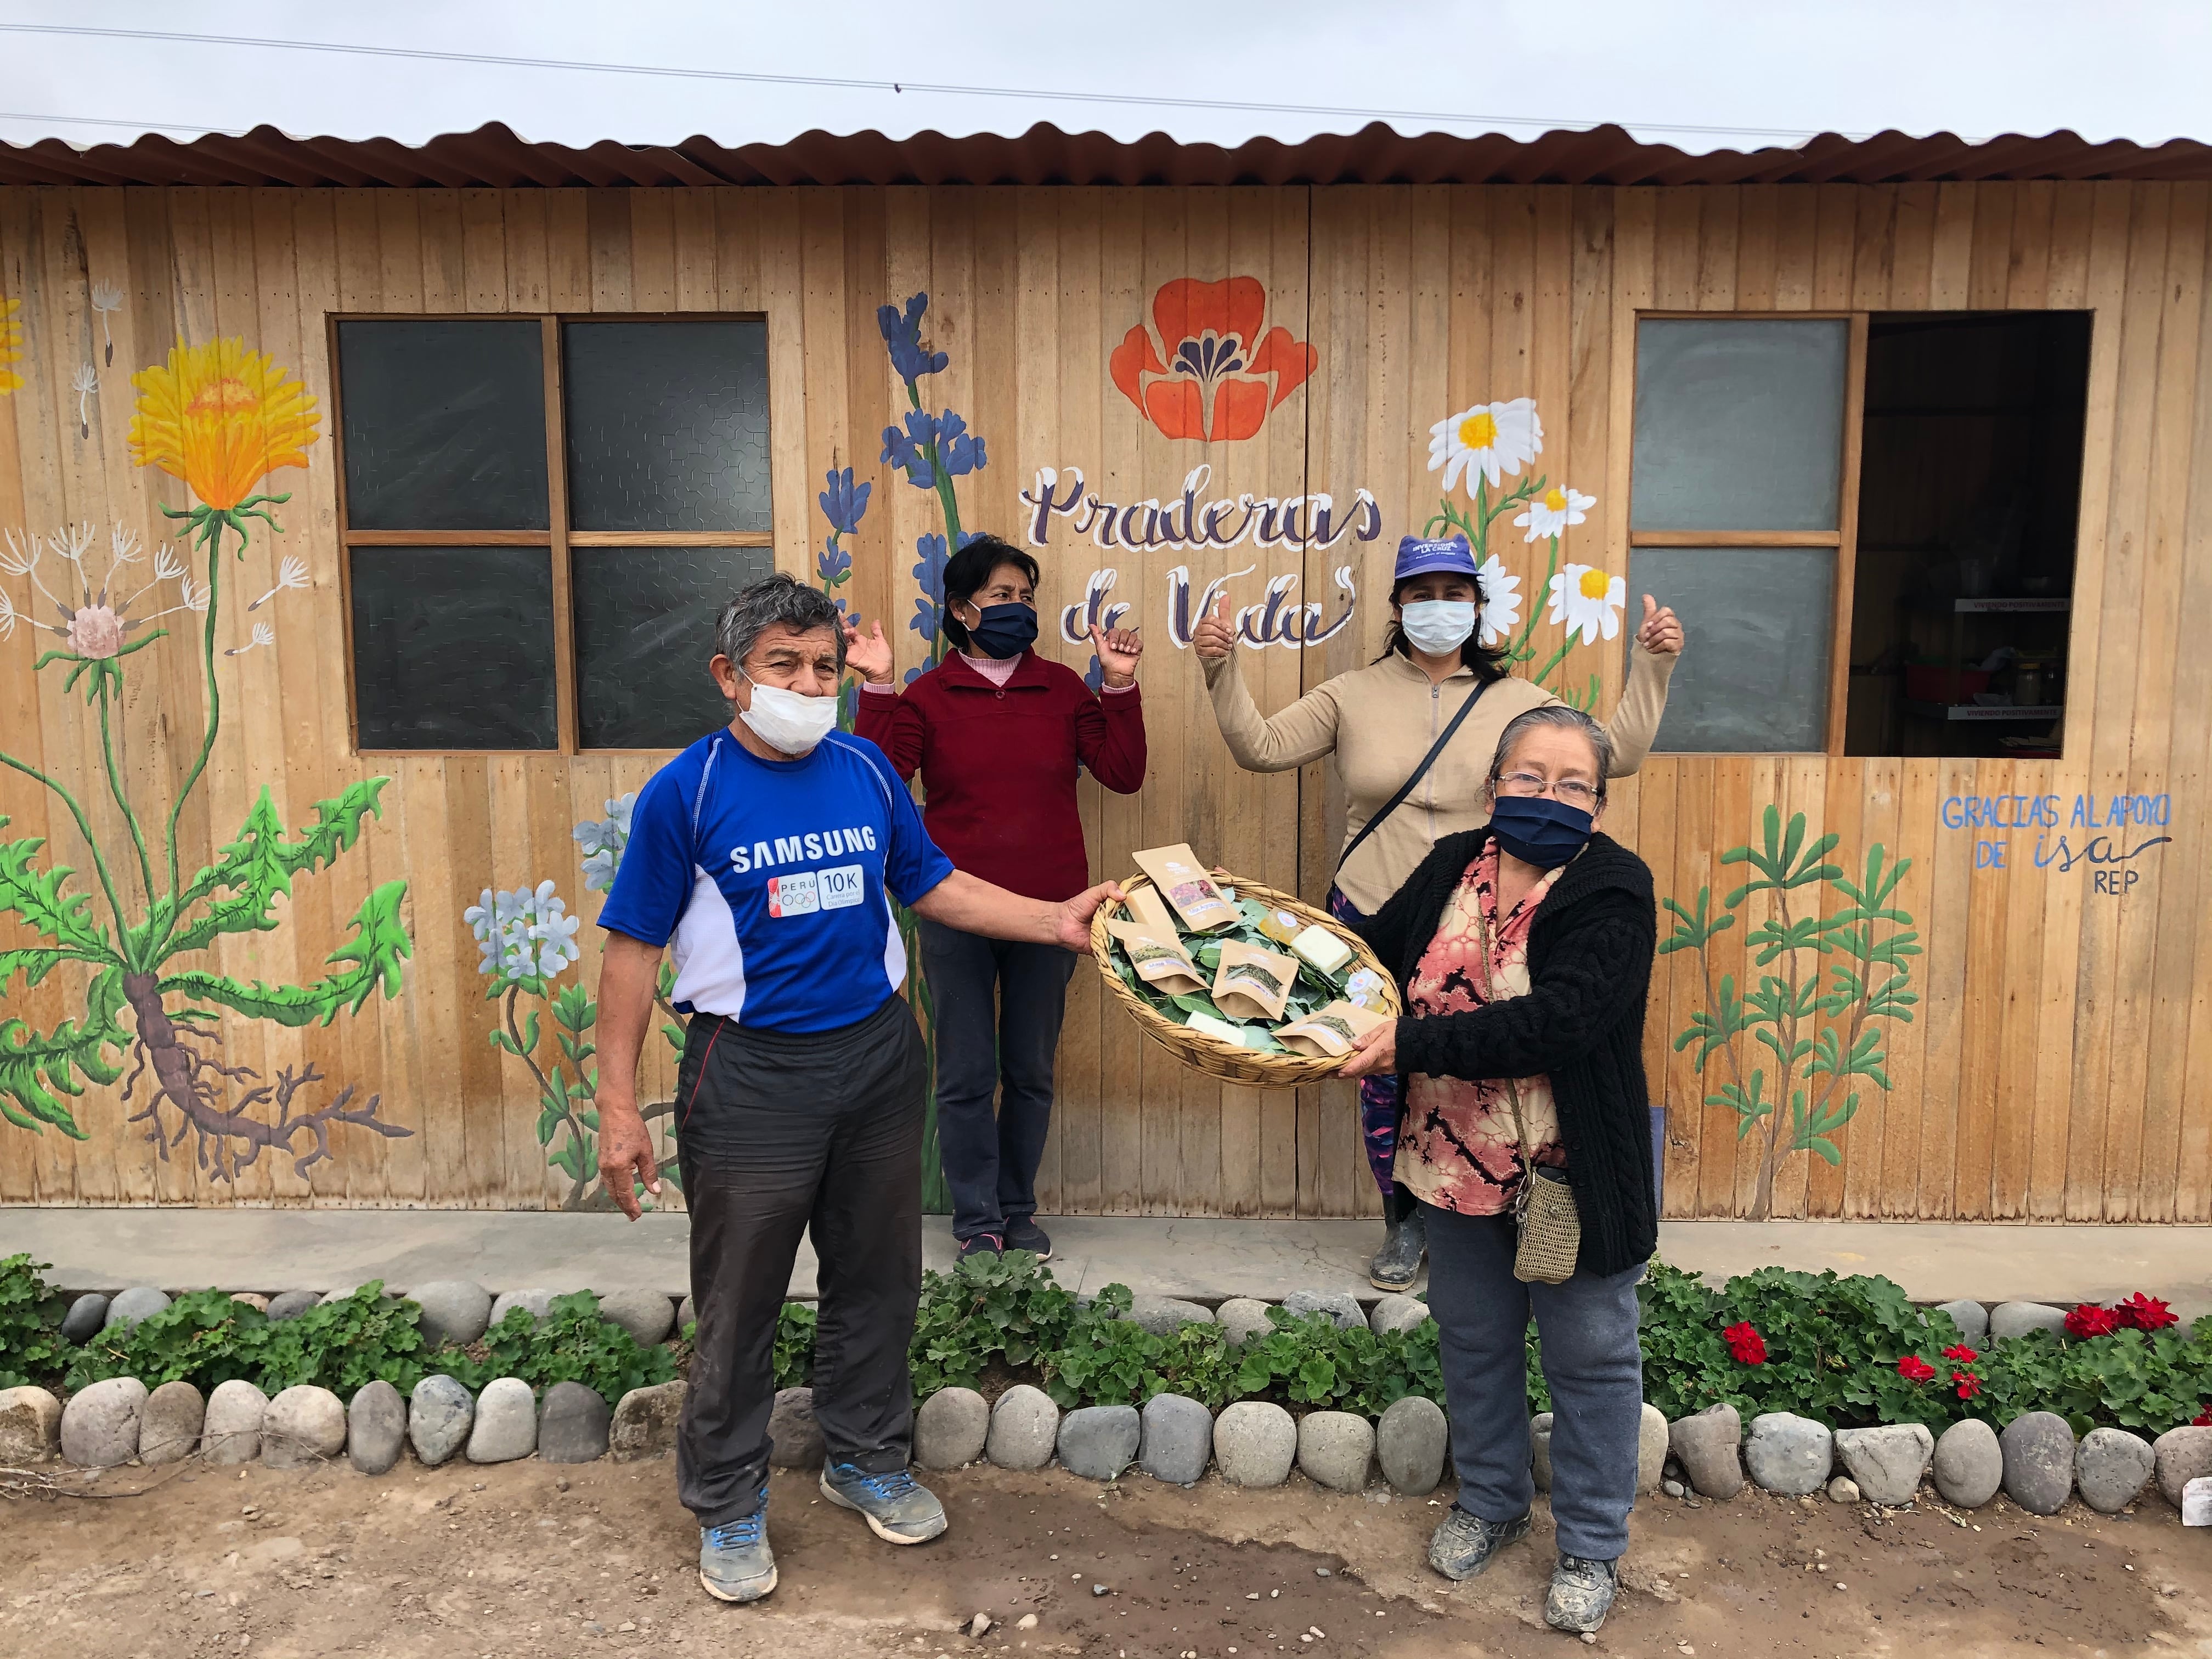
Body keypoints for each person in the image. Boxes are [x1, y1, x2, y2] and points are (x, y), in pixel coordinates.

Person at [592, 573, 1121, 1608]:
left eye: (825, 666)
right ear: (730, 678)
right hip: (748, 1076)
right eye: (783, 665)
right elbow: (629, 955)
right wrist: (618, 1110)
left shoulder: (868, 771)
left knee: (878, 1278)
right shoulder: (686, 793)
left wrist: (1053, 918)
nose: (808, 683)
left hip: (878, 1060)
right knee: (740, 1297)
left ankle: (865, 1455)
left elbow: (935, 886)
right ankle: (730, 1501)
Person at [1193, 532, 1680, 1292]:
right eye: (1422, 594)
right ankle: (1404, 1218)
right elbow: (1261, 746)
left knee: (1489, 1058)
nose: (1439, 608)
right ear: (1398, 606)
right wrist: (1220, 668)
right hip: (1373, 906)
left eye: (1456, 594)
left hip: (1485, 913)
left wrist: (1652, 665)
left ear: (1478, 606)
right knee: (1381, 1073)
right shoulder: (1352, 693)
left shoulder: (1522, 704)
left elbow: (1612, 755)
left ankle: (1500, 1210)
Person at [1338, 704, 1657, 1636]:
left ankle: (1593, 1546)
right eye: (1528, 776)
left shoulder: (1614, 890)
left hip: (1570, 1174)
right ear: (1493, 784)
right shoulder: (1451, 866)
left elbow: (1560, 1023)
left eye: (1571, 784)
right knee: (1474, 1343)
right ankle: (1493, 1500)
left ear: (1598, 803)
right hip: (1452, 1163)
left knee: (1591, 1360)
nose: (1546, 796)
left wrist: (1409, 1040)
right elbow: (1371, 962)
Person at [848, 533, 1147, 1263]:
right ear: (961, 608)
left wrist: (1118, 684)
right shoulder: (930, 696)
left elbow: (1122, 772)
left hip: (1056, 915)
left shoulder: (1061, 690)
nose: (1018, 608)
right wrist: (879, 690)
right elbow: (878, 782)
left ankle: (1019, 1211)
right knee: (966, 1073)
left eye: (1026, 597)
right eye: (1001, 597)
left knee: (1031, 1071)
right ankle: (976, 1219)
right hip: (956, 910)